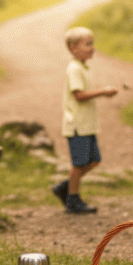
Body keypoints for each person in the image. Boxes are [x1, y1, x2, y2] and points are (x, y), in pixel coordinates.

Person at [50, 27, 117, 214]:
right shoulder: (73, 69)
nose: (92, 48)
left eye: (92, 43)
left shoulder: (83, 67)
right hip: (77, 125)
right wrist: (103, 92)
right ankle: (73, 199)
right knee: (79, 164)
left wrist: (101, 90)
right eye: (87, 44)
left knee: (94, 160)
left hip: (87, 125)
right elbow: (79, 95)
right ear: (73, 48)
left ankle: (65, 187)